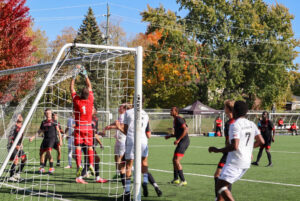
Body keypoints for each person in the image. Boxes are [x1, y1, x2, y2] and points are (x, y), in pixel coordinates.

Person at [208, 100, 264, 201]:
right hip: (246, 162)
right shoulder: (251, 124)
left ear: (234, 110)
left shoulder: (235, 125)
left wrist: (217, 150)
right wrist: (248, 149)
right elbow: (261, 141)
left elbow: (234, 146)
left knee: (220, 185)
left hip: (236, 161)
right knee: (223, 184)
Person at [116, 104, 162, 200]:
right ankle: (145, 182)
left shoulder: (128, 113)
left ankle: (127, 192)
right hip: (143, 141)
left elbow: (126, 130)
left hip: (132, 140)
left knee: (128, 166)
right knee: (144, 163)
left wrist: (119, 128)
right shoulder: (145, 114)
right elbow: (148, 134)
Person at [70, 64, 95, 184]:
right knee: (90, 147)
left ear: (80, 94)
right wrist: (84, 74)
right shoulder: (90, 100)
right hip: (89, 127)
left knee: (78, 147)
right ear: (88, 94)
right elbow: (89, 85)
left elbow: (71, 88)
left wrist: (74, 75)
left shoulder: (77, 101)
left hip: (79, 126)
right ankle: (91, 164)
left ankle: (79, 164)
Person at [212, 100, 235, 199]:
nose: (223, 109)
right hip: (227, 152)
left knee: (220, 177)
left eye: (225, 107)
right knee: (220, 176)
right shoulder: (228, 122)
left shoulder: (233, 123)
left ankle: (220, 198)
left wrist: (218, 150)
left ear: (229, 109)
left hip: (231, 153)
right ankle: (219, 198)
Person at [30, 108, 62, 174]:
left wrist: (60, 140)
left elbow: (59, 131)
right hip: (45, 139)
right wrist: (33, 137)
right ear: (45, 114)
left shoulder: (54, 122)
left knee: (48, 152)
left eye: (49, 113)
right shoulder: (43, 122)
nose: (48, 114)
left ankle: (51, 168)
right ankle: (42, 168)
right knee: (41, 153)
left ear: (51, 114)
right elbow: (40, 131)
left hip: (52, 139)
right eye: (46, 113)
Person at [81, 107, 108, 183]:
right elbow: (93, 133)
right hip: (87, 142)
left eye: (92, 109)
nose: (90, 109)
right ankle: (95, 177)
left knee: (90, 160)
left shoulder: (95, 119)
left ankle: (93, 176)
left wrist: (100, 133)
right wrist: (100, 143)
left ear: (95, 111)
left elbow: (95, 132)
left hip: (91, 142)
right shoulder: (86, 118)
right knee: (94, 160)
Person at [104, 104, 128, 186]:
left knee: (121, 158)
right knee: (116, 156)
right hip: (118, 139)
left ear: (124, 109)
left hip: (123, 140)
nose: (119, 108)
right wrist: (110, 125)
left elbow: (121, 126)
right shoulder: (120, 115)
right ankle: (118, 172)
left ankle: (125, 171)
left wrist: (111, 127)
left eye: (120, 107)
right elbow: (116, 122)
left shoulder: (125, 116)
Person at [165, 107, 190, 186]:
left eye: (171, 110)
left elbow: (185, 130)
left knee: (176, 160)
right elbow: (178, 132)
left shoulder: (179, 119)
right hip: (181, 141)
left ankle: (183, 180)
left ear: (176, 112)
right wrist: (170, 136)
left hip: (184, 141)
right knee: (174, 160)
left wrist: (178, 140)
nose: (170, 111)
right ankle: (176, 179)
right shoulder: (175, 120)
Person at [7, 114, 27, 182]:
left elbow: (19, 137)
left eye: (21, 116)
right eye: (19, 116)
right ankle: (11, 176)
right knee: (16, 160)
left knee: (24, 159)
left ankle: (17, 174)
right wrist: (16, 146)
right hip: (12, 146)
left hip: (18, 146)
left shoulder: (22, 126)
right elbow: (10, 138)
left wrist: (21, 144)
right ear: (16, 118)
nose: (21, 117)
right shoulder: (14, 127)